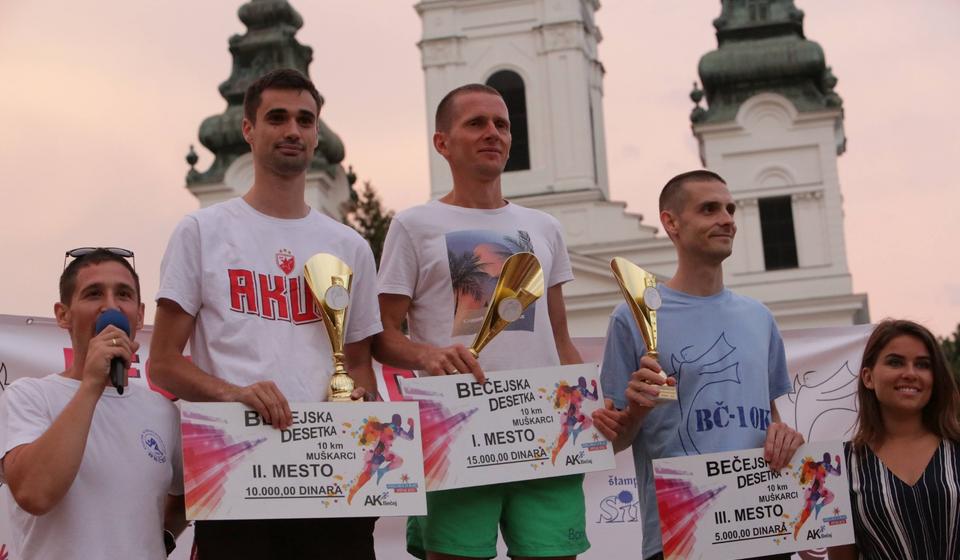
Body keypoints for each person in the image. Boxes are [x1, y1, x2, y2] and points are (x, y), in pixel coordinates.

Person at [150, 69, 382, 559]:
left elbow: (359, 362)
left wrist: (364, 404)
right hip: (239, 475)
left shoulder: (350, 246)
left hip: (330, 476)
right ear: (248, 129)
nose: (293, 130)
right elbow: (163, 364)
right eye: (277, 118)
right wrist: (236, 393)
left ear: (316, 134)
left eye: (305, 120)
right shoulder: (201, 232)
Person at [374, 83, 587, 560]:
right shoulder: (413, 225)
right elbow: (380, 333)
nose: (493, 132)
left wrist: (589, 403)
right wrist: (428, 355)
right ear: (442, 142)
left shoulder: (545, 227)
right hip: (457, 435)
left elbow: (560, 339)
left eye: (502, 124)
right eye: (476, 123)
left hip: (542, 430)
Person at [593, 170, 805, 560]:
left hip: (762, 527)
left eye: (730, 209)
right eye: (709, 209)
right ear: (671, 222)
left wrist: (784, 437)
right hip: (682, 534)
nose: (727, 220)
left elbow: (770, 418)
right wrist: (636, 411)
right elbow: (613, 440)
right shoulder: (633, 317)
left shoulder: (759, 317)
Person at [0, 247, 185, 559]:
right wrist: (91, 385)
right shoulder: (28, 396)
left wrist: (162, 538)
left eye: (123, 294)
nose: (110, 307)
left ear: (140, 315)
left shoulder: (163, 412)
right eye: (93, 294)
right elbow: (35, 493)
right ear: (63, 315)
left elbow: (189, 494)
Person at [828, 319, 960, 560]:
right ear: (868, 377)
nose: (910, 373)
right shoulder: (840, 466)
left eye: (922, 365)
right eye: (895, 362)